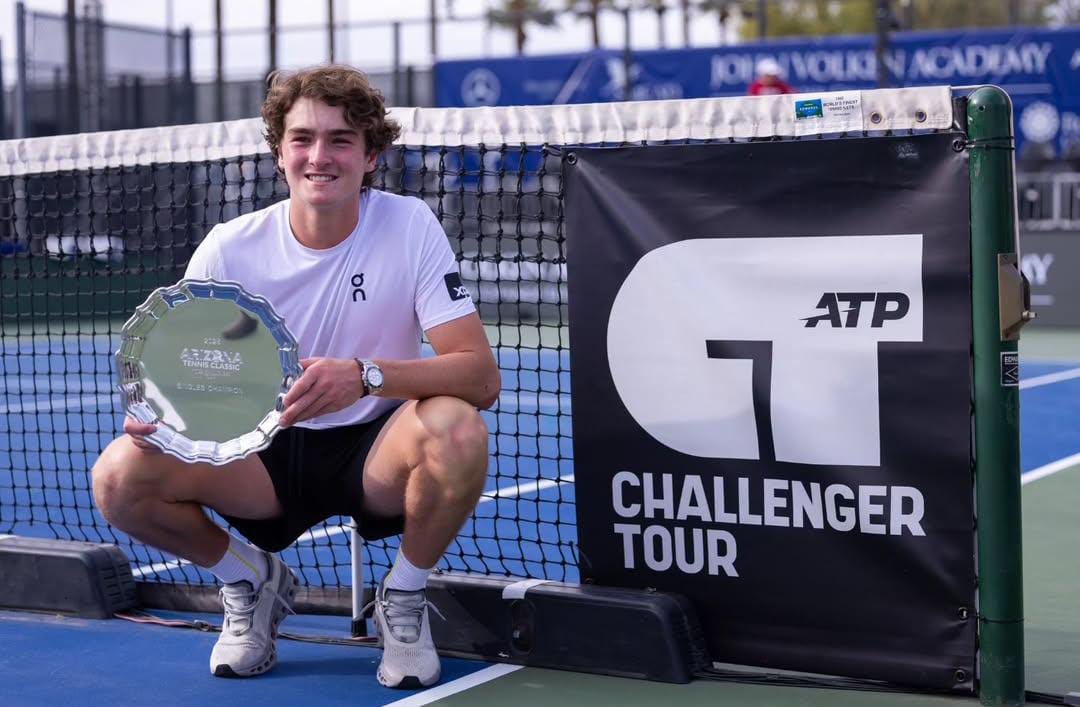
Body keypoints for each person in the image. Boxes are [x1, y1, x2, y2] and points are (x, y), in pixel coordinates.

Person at [92, 64, 500, 689]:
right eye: (303, 138)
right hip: (260, 456)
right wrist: (161, 416)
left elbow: (480, 376)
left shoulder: (410, 224)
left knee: (458, 428)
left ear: (370, 157)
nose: (320, 156)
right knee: (119, 476)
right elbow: (180, 372)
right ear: (279, 152)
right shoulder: (230, 248)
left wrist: (364, 377)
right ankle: (251, 580)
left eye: (341, 140)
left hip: (374, 453)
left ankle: (404, 596)